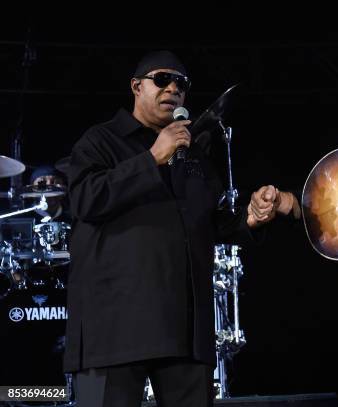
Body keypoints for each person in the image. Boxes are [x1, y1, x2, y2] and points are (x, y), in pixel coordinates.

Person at [64, 50, 299, 407]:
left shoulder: (195, 156)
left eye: (181, 84)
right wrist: (151, 159)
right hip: (113, 332)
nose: (172, 88)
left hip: (185, 333)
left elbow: (214, 223)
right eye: (161, 80)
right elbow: (84, 199)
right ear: (136, 87)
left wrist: (252, 217)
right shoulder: (101, 141)